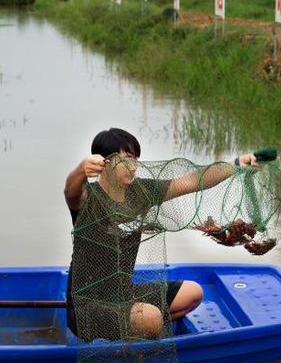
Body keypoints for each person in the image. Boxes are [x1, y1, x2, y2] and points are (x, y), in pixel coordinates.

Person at [64, 128, 258, 341]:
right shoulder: (88, 199)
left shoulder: (141, 192)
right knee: (151, 318)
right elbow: (70, 191)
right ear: (105, 162)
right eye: (127, 159)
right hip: (89, 305)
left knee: (193, 293)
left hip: (124, 293)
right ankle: (140, 327)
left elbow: (193, 181)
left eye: (136, 159)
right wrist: (82, 170)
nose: (134, 167)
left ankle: (135, 328)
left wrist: (236, 165)